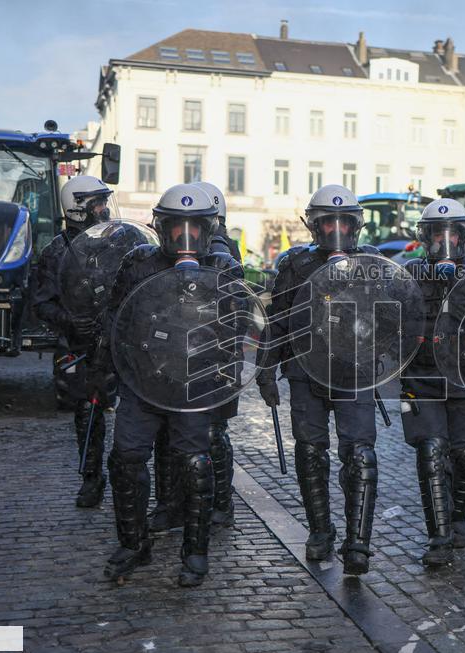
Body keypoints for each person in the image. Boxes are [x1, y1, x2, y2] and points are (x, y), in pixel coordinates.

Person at [88, 183, 243, 586]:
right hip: (143, 382)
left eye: (194, 227)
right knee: (125, 458)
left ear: (209, 228)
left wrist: (226, 385)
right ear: (163, 227)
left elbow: (236, 331)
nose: (185, 237)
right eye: (177, 227)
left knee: (195, 464)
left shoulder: (223, 267)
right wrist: (105, 373)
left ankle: (194, 552)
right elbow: (114, 318)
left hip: (194, 386)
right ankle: (134, 543)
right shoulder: (139, 262)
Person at [256, 184, 380, 576]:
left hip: (354, 373)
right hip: (305, 371)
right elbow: (277, 319)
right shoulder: (295, 264)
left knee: (360, 453)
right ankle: (320, 532)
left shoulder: (374, 262)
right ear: (315, 225)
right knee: (310, 452)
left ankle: (358, 543)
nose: (336, 229)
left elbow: (394, 317)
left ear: (355, 224)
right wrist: (265, 369)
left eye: (344, 221)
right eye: (329, 221)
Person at [399, 198, 465, 566]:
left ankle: (459, 518)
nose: (444, 240)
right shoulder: (409, 274)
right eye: (438, 233)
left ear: (463, 235)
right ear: (427, 237)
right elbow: (388, 321)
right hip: (421, 377)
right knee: (431, 449)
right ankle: (438, 537)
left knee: (464, 454)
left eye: (451, 233)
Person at [148, 181, 241, 533]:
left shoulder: (221, 254)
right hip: (182, 356)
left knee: (210, 433)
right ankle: (199, 503)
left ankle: (214, 502)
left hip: (209, 357)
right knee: (196, 433)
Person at [30, 175, 114, 508]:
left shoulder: (116, 241)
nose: (104, 210)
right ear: (78, 209)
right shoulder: (55, 252)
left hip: (120, 339)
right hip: (82, 345)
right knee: (87, 413)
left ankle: (154, 489)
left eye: (105, 203)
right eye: (98, 204)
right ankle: (91, 478)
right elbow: (41, 304)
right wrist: (71, 320)